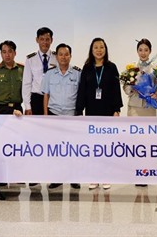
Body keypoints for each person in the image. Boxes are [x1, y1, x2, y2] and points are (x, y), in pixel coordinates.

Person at [75, 37, 122, 190]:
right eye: (96, 47)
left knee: (107, 145)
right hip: (91, 111)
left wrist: (117, 109)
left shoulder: (111, 67)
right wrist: (79, 110)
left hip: (108, 111)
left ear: (105, 49)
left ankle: (106, 176)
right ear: (91, 50)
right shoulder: (87, 68)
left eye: (102, 47)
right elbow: (82, 90)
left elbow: (116, 89)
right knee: (94, 145)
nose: (99, 50)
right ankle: (94, 176)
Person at [42, 43, 81, 190]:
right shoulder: (49, 74)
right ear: (56, 56)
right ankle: (56, 178)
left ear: (70, 56)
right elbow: (46, 95)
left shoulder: (77, 73)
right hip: (54, 114)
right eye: (60, 54)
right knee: (56, 149)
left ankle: (74, 178)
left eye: (66, 54)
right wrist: (46, 116)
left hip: (72, 115)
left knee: (73, 149)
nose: (63, 57)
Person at [23, 27, 57, 116]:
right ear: (37, 40)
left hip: (53, 99)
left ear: (51, 40)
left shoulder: (57, 57)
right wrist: (27, 106)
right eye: (42, 39)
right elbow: (27, 83)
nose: (44, 42)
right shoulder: (30, 59)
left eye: (47, 39)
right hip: (36, 99)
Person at [0, 40, 24, 116]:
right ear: (1, 54)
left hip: (17, 108)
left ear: (15, 53)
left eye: (10, 51)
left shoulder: (22, 69)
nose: (7, 55)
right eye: (4, 52)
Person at [124, 38, 157, 117]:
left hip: (149, 105)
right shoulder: (131, 67)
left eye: (146, 50)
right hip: (134, 106)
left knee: (149, 128)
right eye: (140, 50)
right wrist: (132, 88)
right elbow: (125, 87)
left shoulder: (155, 68)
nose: (143, 53)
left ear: (150, 51)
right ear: (137, 51)